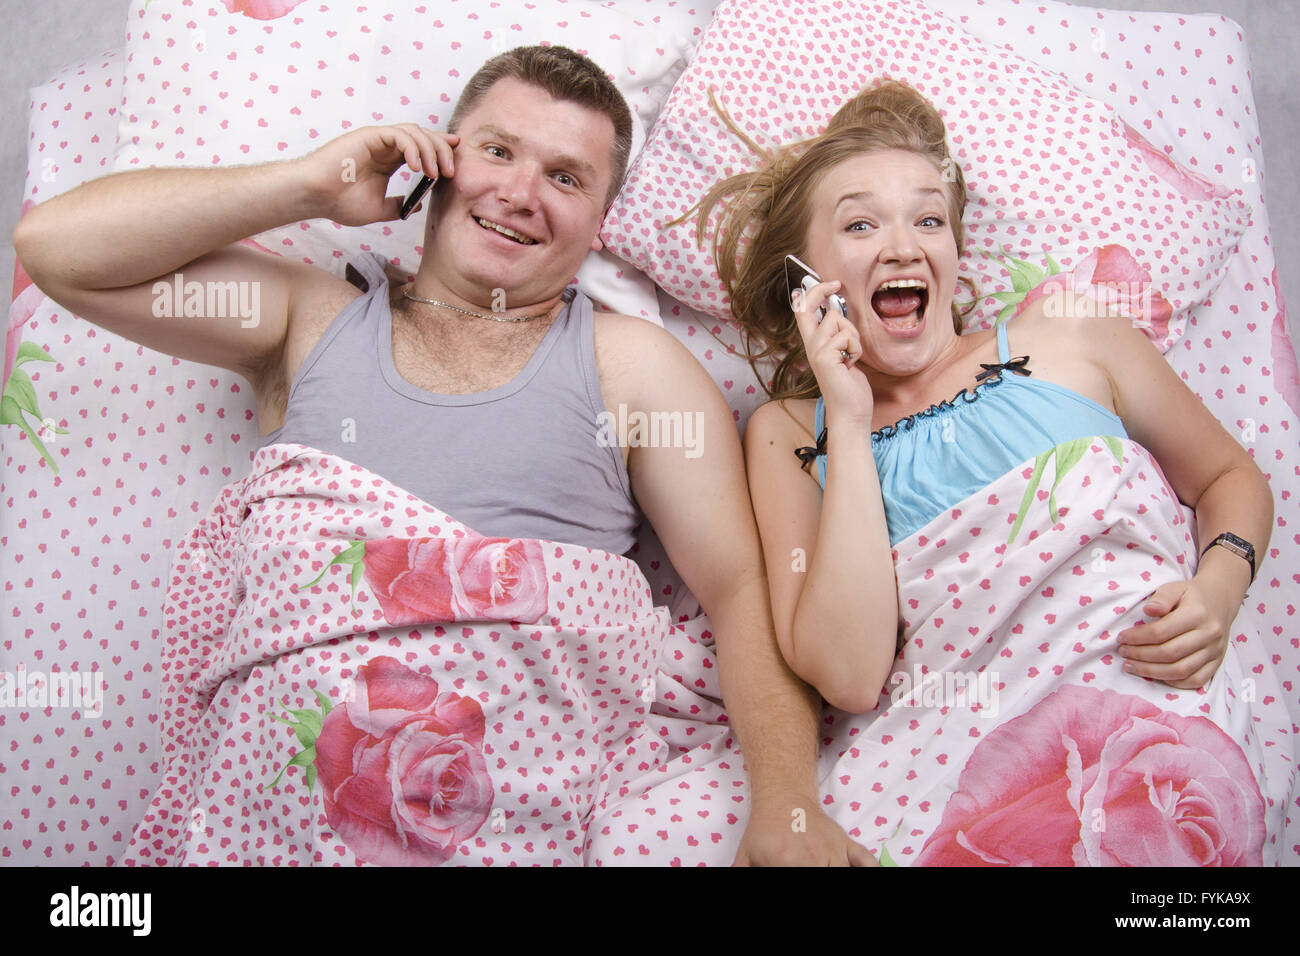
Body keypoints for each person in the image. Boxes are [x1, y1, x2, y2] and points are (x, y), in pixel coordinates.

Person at [13, 45, 871, 866]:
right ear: (442, 164)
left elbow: (739, 589)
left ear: (601, 220)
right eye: (497, 151)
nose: (520, 193)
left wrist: (787, 804)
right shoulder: (305, 321)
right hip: (264, 826)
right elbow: (61, 252)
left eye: (565, 177)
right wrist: (305, 185)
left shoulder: (633, 369)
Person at [693, 80, 1285, 864]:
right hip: (957, 755)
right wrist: (854, 415)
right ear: (809, 279)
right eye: (862, 223)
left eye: (929, 219)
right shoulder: (793, 433)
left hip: (1146, 718)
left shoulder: (1074, 331)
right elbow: (851, 671)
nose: (905, 246)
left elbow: (1230, 480)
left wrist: (1220, 586)